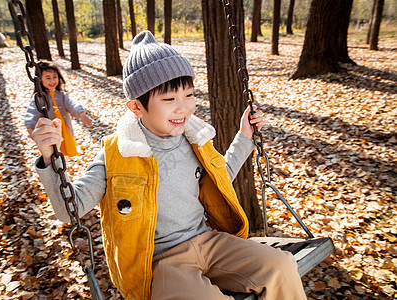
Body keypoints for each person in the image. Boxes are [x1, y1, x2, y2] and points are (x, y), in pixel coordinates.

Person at [32, 31, 306, 300]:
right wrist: (49, 157)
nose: (183, 108)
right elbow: (70, 209)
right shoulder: (116, 154)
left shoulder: (193, 138)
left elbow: (220, 175)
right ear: (136, 107)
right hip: (163, 261)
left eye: (189, 95)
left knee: (280, 266)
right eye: (169, 99)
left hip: (209, 242)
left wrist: (245, 137)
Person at [24, 60, 93, 157]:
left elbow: (72, 104)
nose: (52, 81)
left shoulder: (62, 95)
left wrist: (81, 114)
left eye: (54, 77)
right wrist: (30, 129)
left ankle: (64, 168)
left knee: (65, 155)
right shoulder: (39, 98)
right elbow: (32, 113)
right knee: (53, 154)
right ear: (40, 80)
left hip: (64, 131)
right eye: (48, 78)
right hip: (50, 133)